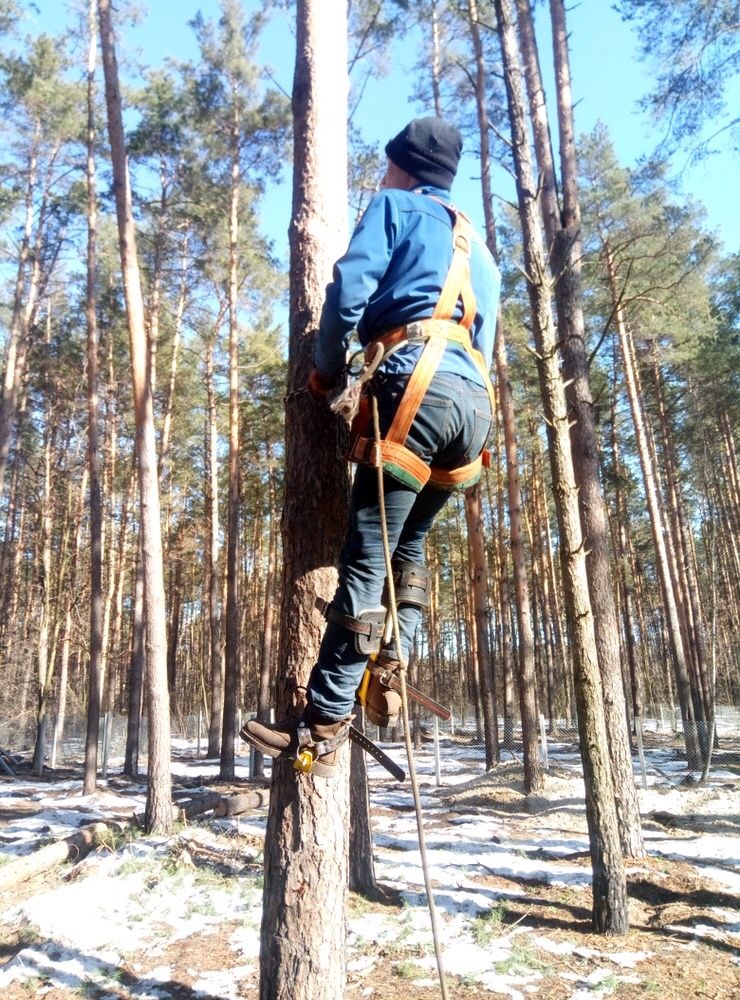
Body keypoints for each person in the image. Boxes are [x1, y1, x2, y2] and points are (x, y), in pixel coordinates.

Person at [242, 116, 501, 777]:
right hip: (473, 407)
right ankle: (390, 664)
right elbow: (486, 345)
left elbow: (347, 289)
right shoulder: (482, 255)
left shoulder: (394, 206)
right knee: (405, 546)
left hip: (417, 383)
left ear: (403, 168)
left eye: (388, 167)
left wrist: (325, 369)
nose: (382, 177)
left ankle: (321, 730)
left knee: (365, 559)